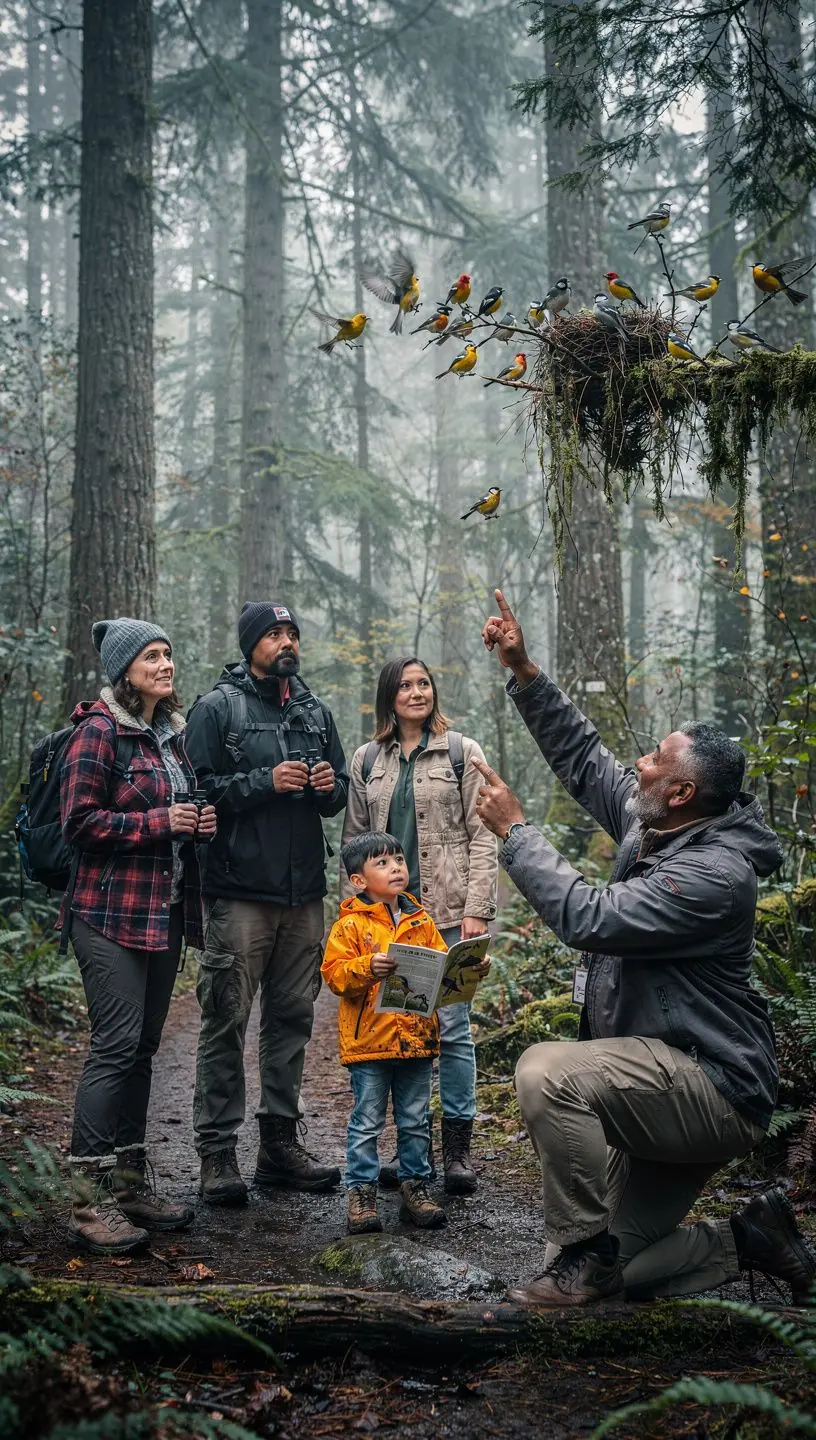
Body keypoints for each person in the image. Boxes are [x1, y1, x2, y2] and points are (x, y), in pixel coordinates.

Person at [473, 587, 816, 1308]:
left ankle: (588, 1254)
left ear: (685, 790)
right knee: (595, 1270)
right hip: (658, 1080)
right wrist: (525, 671)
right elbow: (587, 760)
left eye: (656, 758)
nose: (639, 763)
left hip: (712, 1089)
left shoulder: (714, 877)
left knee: (544, 1073)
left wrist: (515, 833)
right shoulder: (659, 823)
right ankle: (747, 1241)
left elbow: (589, 918)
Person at [60, 618, 217, 1254]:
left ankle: (128, 1182)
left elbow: (174, 814)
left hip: (163, 912)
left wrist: (195, 822)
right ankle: (88, 1202)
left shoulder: (168, 737)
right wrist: (161, 820)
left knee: (144, 1049)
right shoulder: (98, 732)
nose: (165, 665)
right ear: (125, 670)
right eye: (151, 656)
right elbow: (79, 823)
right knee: (115, 1047)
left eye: (169, 654)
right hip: (106, 915)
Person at [185, 601, 348, 1204]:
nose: (286, 643)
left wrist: (332, 787)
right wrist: (263, 783)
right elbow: (196, 792)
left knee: (292, 1020)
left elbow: (337, 797)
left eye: (292, 634)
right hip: (239, 893)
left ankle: (279, 1146)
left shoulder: (313, 710)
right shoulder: (215, 708)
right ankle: (217, 1154)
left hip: (303, 894)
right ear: (251, 643)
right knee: (225, 1018)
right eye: (274, 634)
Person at [342, 658, 497, 1193]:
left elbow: (484, 833)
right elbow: (355, 845)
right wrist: (357, 918)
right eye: (405, 685)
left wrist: (479, 908)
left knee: (452, 1030)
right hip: (389, 923)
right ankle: (412, 1157)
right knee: (396, 1027)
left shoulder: (461, 752)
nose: (416, 692)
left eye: (424, 683)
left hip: (449, 915)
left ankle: (456, 1153)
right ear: (389, 696)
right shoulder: (366, 760)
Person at [322, 831, 451, 1234]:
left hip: (417, 1039)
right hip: (370, 1044)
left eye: (398, 859)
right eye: (383, 863)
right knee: (367, 1121)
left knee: (415, 1119)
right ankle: (361, 1192)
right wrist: (366, 968)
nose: (396, 867)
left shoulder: (421, 920)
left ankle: (416, 1186)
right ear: (359, 881)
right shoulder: (349, 927)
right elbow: (334, 976)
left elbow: (441, 969)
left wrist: (464, 969)